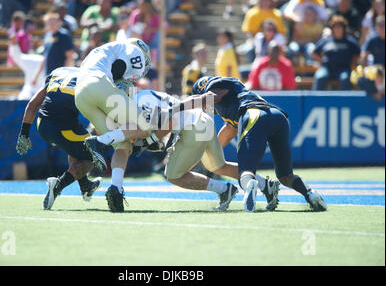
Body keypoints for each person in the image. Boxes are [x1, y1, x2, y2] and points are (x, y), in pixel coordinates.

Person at [189, 76, 327, 212]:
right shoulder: (231, 102)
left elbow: (213, 96)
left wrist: (183, 105)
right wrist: (206, 156)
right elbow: (228, 132)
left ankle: (250, 187)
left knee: (245, 172)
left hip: (254, 114)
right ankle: (310, 193)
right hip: (278, 116)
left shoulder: (213, 88)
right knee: (285, 176)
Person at [132, 89, 281, 212]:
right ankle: (265, 184)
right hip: (203, 120)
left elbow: (171, 120)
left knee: (172, 175)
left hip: (193, 128)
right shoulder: (148, 94)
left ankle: (223, 189)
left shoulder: (139, 103)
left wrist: (147, 141)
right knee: (218, 166)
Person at [75, 38, 152, 212]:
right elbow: (119, 73)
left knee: (122, 143)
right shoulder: (133, 50)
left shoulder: (100, 51)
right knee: (145, 127)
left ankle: (116, 189)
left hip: (80, 96)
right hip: (99, 84)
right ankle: (100, 141)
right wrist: (126, 89)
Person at [16, 67, 102, 210]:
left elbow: (32, 104)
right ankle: (58, 185)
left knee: (76, 144)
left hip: (42, 125)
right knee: (94, 153)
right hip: (63, 126)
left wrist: (24, 134)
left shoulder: (58, 72)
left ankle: (85, 185)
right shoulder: (90, 79)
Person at [312, 15, 361, 90]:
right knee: (320, 77)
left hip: (343, 68)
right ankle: (316, 101)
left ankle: (345, 101)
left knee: (345, 78)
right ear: (332, 28)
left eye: (340, 26)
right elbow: (314, 53)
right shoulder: (326, 40)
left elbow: (359, 53)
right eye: (335, 27)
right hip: (327, 68)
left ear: (344, 28)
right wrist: (322, 60)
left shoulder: (349, 41)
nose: (337, 29)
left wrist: (352, 62)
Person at [32, 13, 75, 86]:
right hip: (49, 74)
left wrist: (64, 74)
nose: (51, 24)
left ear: (58, 22)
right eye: (49, 22)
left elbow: (70, 56)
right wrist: (36, 76)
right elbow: (44, 57)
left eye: (53, 21)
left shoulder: (64, 35)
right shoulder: (47, 35)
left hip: (60, 75)